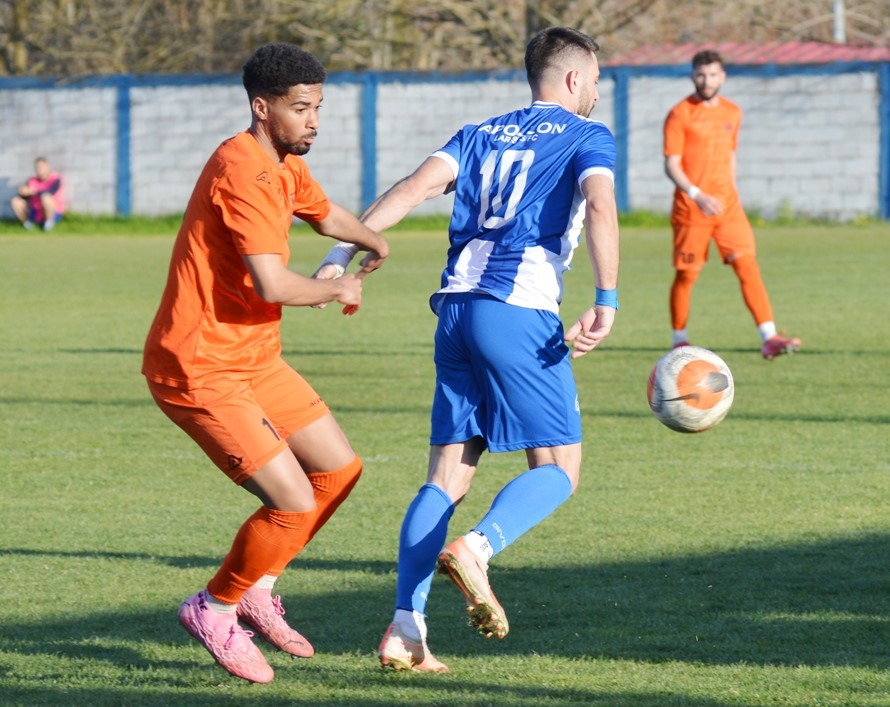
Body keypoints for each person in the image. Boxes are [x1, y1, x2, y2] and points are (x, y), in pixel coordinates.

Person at [316, 26, 619, 673]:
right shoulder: (588, 135)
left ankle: (406, 629)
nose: (598, 91)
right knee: (559, 468)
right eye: (595, 78)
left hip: (453, 311)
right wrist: (608, 297)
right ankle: (478, 548)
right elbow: (599, 205)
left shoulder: (478, 133)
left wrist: (341, 251)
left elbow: (411, 187)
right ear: (573, 79)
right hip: (517, 311)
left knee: (446, 476)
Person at [141, 42, 388, 684]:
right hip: (199, 366)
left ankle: (257, 586)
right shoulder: (243, 172)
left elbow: (323, 215)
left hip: (254, 357)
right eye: (301, 108)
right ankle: (215, 606)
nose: (314, 120)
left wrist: (372, 239)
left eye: (318, 107)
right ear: (261, 107)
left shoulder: (283, 164)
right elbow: (273, 284)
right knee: (293, 499)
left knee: (339, 470)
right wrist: (338, 286)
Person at [663, 49, 801, 360]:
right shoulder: (680, 114)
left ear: (722, 77)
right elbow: (671, 164)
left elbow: (730, 156)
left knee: (747, 264)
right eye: (701, 74)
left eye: (712, 75)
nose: (706, 81)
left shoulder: (732, 112)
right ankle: (679, 339)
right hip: (692, 208)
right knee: (687, 275)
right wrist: (697, 194)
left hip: (728, 209)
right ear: (692, 76)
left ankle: (769, 337)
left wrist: (731, 193)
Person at [10, 157, 65, 231]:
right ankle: (28, 225)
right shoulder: (32, 180)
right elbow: (26, 196)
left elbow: (51, 191)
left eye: (41, 167)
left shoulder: (55, 178)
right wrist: (23, 192)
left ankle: (48, 224)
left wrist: (33, 191)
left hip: (53, 213)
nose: (39, 169)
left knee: (46, 197)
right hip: (35, 212)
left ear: (48, 166)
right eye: (37, 167)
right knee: (15, 201)